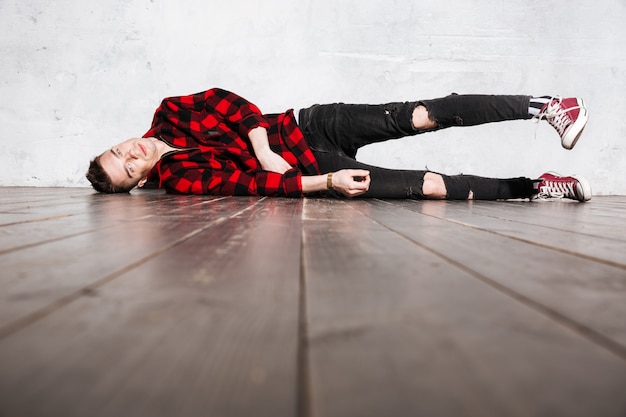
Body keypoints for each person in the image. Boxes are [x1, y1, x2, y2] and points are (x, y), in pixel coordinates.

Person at [86, 88, 591, 202]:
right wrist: (326, 181)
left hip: (310, 126)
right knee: (430, 188)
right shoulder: (176, 178)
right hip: (315, 169)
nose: (133, 155)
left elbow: (232, 104)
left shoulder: (168, 114)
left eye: (120, 150)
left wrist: (262, 146)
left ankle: (547, 106)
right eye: (129, 169)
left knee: (423, 116)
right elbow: (253, 185)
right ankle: (540, 186)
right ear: (141, 180)